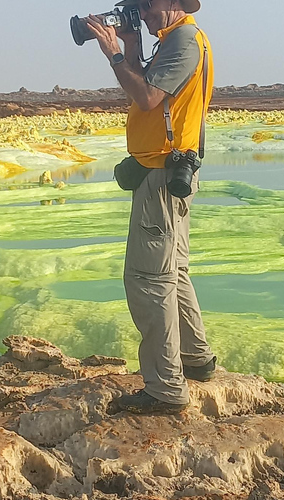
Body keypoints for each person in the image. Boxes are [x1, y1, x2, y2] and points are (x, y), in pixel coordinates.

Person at [84, 0, 216, 414]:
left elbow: (146, 97)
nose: (141, 11)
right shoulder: (175, 39)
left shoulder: (182, 41)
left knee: (148, 279)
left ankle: (165, 389)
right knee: (173, 270)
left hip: (162, 174)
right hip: (166, 170)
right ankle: (196, 359)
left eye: (147, 4)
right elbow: (156, 97)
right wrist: (132, 45)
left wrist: (116, 54)